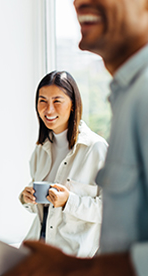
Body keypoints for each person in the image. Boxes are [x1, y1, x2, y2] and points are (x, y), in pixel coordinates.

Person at [3, 0, 148, 275]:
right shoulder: (133, 95)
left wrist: (75, 270)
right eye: (43, 101)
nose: (79, 1)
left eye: (58, 101)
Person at [19, 71, 107, 258]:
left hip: (75, 260)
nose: (48, 110)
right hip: (41, 254)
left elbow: (112, 210)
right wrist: (27, 199)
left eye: (57, 101)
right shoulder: (40, 150)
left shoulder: (95, 148)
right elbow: (45, 212)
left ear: (73, 105)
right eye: (42, 101)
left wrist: (69, 201)